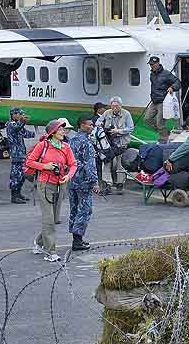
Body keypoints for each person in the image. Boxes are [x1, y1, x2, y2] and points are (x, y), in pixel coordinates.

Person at [23, 119, 76, 263]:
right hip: (44, 184)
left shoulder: (66, 147)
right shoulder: (43, 145)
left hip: (60, 185)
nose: (63, 132)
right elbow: (29, 162)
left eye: (63, 130)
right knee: (48, 219)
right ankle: (50, 251)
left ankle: (38, 242)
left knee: (53, 219)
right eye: (60, 129)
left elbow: (73, 164)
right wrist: (45, 167)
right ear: (52, 132)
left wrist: (68, 176)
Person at [68, 115, 100, 251]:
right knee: (85, 210)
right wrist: (95, 181)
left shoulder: (72, 140)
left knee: (74, 209)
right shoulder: (86, 143)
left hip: (72, 180)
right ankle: (78, 240)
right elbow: (90, 164)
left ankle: (76, 238)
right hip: (84, 181)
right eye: (90, 125)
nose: (92, 127)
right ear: (82, 125)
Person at [100, 96, 134, 195]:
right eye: (112, 105)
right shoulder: (107, 113)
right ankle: (108, 184)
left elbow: (131, 128)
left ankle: (120, 184)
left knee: (120, 164)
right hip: (109, 143)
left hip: (121, 143)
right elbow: (98, 122)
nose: (114, 108)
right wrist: (101, 126)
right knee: (106, 163)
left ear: (120, 106)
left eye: (116, 106)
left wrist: (118, 131)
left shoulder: (126, 114)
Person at [145, 57, 181, 143]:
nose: (151, 66)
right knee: (147, 119)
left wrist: (172, 87)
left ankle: (163, 140)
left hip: (163, 102)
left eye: (153, 64)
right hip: (154, 101)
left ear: (158, 63)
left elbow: (177, 82)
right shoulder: (152, 74)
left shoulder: (166, 74)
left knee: (160, 123)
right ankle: (165, 133)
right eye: (150, 64)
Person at [5, 106, 36, 204]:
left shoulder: (18, 125)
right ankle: (14, 196)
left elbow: (26, 133)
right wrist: (23, 122)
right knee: (16, 175)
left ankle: (18, 193)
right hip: (16, 154)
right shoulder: (11, 125)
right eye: (19, 114)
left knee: (21, 175)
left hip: (21, 153)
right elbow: (17, 128)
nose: (21, 116)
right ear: (14, 115)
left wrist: (38, 134)